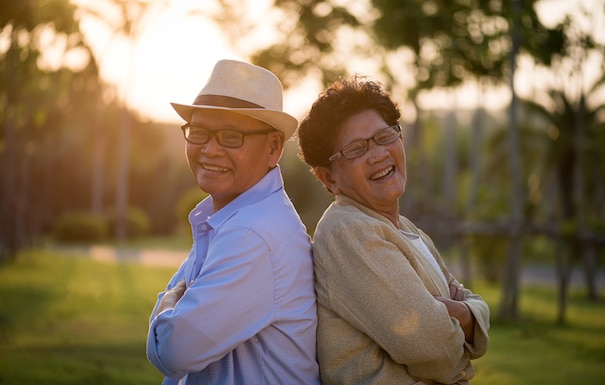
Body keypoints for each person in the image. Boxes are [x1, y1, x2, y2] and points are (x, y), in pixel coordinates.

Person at [298, 76, 490, 385]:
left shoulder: (406, 230)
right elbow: (435, 348)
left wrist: (462, 312)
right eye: (356, 149)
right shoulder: (348, 232)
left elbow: (470, 302)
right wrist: (464, 318)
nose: (378, 154)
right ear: (327, 178)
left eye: (385, 136)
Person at [146, 59, 320, 385]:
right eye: (199, 132)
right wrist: (173, 312)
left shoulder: (253, 234)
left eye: (231, 136)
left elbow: (172, 350)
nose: (210, 150)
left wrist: (167, 304)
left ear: (273, 148)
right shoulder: (233, 218)